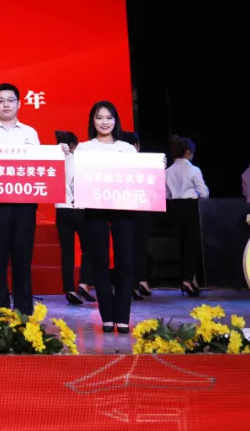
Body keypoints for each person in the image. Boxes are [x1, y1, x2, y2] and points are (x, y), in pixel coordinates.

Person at [0, 83, 65, 316]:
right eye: (0, 101)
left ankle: (24, 313)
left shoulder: (29, 133)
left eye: (10, 100)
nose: (6, 105)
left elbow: (38, 165)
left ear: (19, 104)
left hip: (24, 206)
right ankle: (1, 315)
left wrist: (58, 153)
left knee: (22, 259)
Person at [78, 102, 139, 333]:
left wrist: (156, 167)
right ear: (92, 121)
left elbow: (139, 176)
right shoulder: (84, 148)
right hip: (95, 208)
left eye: (109, 117)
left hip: (124, 207)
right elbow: (76, 180)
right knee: (100, 262)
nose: (104, 122)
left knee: (125, 262)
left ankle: (122, 316)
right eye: (99, 117)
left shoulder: (127, 149)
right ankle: (106, 316)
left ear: (116, 120)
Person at [165, 135, 208, 297]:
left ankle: (188, 279)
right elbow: (204, 193)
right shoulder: (194, 170)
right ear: (188, 152)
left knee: (182, 244)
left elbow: (167, 195)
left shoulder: (167, 171)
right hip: (191, 208)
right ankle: (188, 279)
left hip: (175, 208)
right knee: (192, 245)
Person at [56, 130, 93, 306]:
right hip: (79, 209)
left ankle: (69, 289)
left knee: (67, 251)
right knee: (89, 247)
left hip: (61, 210)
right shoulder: (79, 161)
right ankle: (84, 283)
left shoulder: (53, 161)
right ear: (73, 145)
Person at [123, 131, 153, 299]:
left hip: (123, 210)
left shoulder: (117, 165)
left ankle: (134, 282)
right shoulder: (145, 164)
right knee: (140, 247)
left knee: (127, 248)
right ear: (136, 146)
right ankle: (139, 281)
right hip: (141, 209)